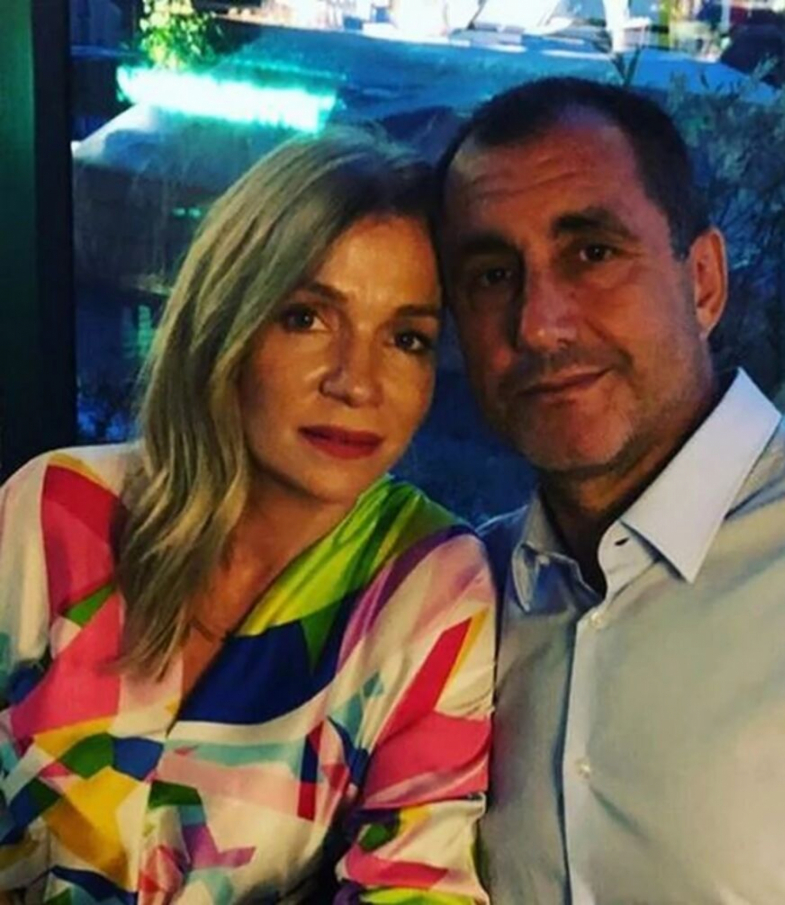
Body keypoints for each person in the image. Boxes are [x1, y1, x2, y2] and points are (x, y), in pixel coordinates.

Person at [436, 77, 785, 904]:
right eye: (492, 275)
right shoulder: (454, 607)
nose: (539, 323)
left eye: (593, 253)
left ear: (704, 281)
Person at [0, 128, 495, 903]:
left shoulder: (427, 585)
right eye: (307, 317)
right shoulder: (55, 509)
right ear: (228, 317)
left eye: (407, 338)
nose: (357, 382)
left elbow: (419, 884)